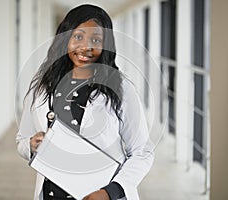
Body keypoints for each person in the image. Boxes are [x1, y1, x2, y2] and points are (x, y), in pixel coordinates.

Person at [16, 4, 154, 200]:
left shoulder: (121, 88)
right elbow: (22, 139)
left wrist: (110, 192)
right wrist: (31, 145)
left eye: (96, 40)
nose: (86, 47)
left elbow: (143, 151)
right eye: (78, 37)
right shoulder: (42, 86)